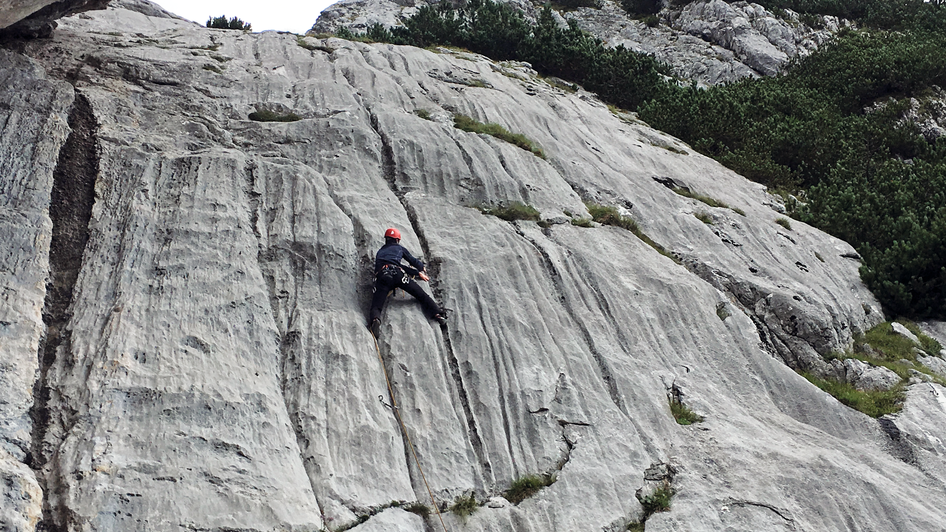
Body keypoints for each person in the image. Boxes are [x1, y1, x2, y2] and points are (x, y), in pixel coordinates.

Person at [368, 227, 446, 336]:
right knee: (421, 294)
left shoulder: (380, 252)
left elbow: (377, 270)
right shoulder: (399, 248)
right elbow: (412, 260)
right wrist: (419, 270)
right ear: (397, 240)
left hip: (383, 276)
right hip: (398, 274)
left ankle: (375, 320)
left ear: (386, 239)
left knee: (376, 305)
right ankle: (437, 314)